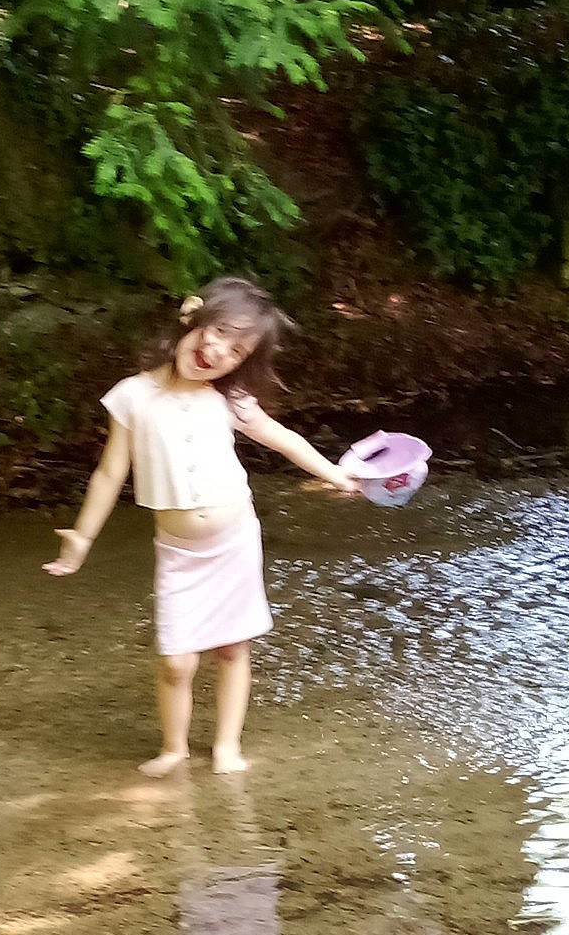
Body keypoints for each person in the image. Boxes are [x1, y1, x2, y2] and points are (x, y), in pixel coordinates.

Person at [43, 276, 359, 776]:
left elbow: (283, 439)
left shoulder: (229, 401)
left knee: (233, 647)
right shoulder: (132, 396)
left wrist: (336, 474)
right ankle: (174, 748)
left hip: (234, 540)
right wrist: (81, 539)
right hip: (179, 550)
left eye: (235, 351)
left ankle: (227, 747)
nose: (218, 351)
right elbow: (110, 472)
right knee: (177, 659)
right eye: (216, 333)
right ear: (191, 321)